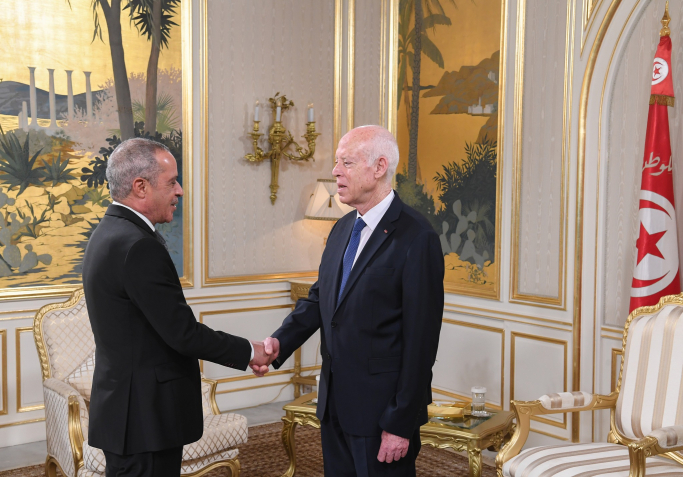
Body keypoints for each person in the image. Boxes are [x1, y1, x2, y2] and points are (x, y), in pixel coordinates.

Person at [256, 125, 445, 476]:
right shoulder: (342, 228)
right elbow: (320, 299)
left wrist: (400, 422)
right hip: (335, 407)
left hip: (382, 414)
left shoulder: (417, 238)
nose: (335, 171)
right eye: (337, 162)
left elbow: (421, 343)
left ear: (379, 167)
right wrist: (279, 343)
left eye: (347, 162)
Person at [82, 138, 273, 476]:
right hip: (144, 420)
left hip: (128, 416)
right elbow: (183, 334)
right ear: (140, 187)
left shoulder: (108, 233)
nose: (180, 191)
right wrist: (250, 351)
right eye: (171, 182)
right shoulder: (138, 245)